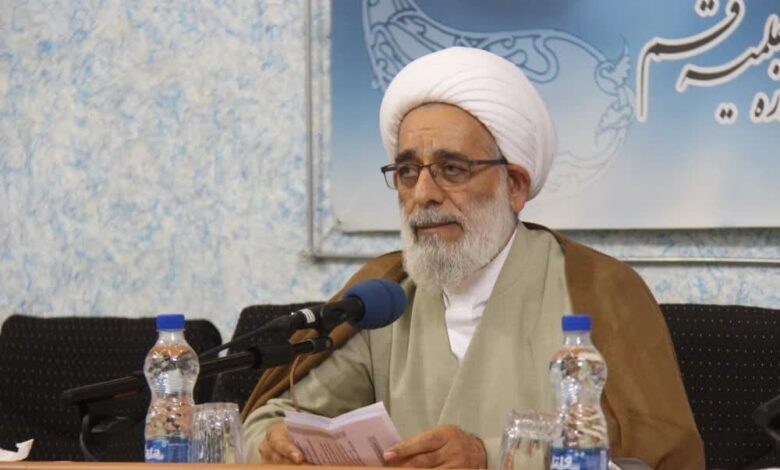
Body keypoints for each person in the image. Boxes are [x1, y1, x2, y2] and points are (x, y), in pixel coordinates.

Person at [242, 47, 704, 469]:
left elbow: (647, 454)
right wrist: (275, 441)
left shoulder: (597, 288)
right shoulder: (386, 296)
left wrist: (490, 456)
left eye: (452, 169)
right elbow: (273, 418)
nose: (423, 194)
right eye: (407, 171)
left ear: (515, 186)